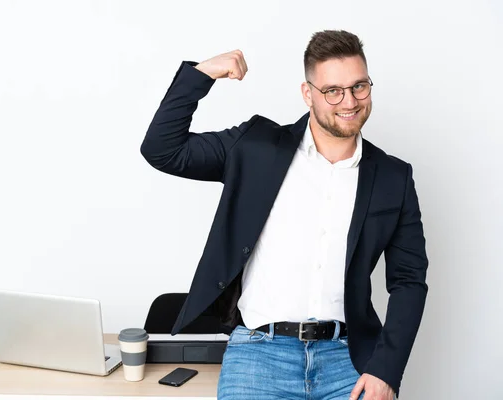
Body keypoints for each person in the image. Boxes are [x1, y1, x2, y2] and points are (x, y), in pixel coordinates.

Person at [140, 30, 428, 400]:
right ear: (308, 93)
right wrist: (203, 73)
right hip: (259, 356)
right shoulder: (256, 147)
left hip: (348, 362)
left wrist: (386, 371)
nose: (349, 101)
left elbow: (408, 281)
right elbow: (162, 149)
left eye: (359, 86)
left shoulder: (393, 177)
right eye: (333, 90)